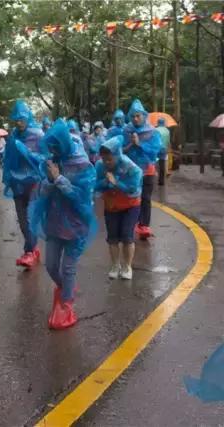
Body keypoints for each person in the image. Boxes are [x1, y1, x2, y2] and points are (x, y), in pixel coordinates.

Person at [30, 119, 96, 329]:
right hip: (54, 223)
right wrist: (49, 181)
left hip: (76, 225)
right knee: (50, 265)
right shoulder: (50, 162)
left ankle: (67, 303)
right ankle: (66, 288)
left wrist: (59, 179)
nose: (52, 150)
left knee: (68, 267)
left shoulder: (82, 165)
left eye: (55, 145)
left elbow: (81, 199)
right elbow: (41, 192)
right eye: (50, 147)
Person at [2, 100, 45, 269]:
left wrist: (29, 154)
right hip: (17, 182)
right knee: (22, 219)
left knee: (29, 217)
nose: (19, 122)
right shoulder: (13, 135)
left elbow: (46, 157)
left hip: (33, 182)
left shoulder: (38, 135)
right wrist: (7, 179)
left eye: (22, 119)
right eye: (16, 119)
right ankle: (32, 248)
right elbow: (8, 160)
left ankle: (29, 251)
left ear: (28, 117)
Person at [95, 136, 143, 280]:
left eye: (109, 159)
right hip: (111, 206)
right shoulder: (99, 166)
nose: (106, 162)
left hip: (130, 205)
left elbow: (133, 188)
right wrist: (105, 182)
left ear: (117, 155)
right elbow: (94, 185)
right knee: (112, 238)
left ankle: (127, 266)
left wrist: (116, 183)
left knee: (127, 236)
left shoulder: (131, 167)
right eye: (104, 159)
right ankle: (115, 265)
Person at [121, 99, 162, 240]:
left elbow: (154, 152)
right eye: (133, 116)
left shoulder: (153, 132)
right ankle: (133, 223)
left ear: (144, 116)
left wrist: (139, 144)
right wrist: (130, 145)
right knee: (132, 197)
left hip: (147, 170)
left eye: (138, 115)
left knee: (145, 198)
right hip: (131, 170)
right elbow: (120, 151)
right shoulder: (126, 131)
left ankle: (144, 225)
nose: (135, 119)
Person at [156, 117, 171, 186]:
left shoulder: (155, 130)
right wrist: (168, 149)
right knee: (162, 165)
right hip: (164, 149)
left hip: (156, 149)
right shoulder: (167, 131)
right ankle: (161, 181)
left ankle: (154, 178)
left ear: (158, 123)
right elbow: (168, 141)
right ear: (164, 123)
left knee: (155, 164)